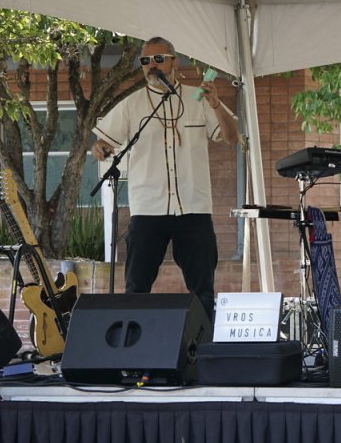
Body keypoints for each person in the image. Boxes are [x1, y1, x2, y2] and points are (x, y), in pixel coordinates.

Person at [91, 37, 238, 319]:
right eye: (145, 61)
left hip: (193, 207)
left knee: (203, 290)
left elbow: (231, 138)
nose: (151, 66)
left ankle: (202, 353)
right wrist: (100, 147)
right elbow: (103, 142)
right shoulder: (132, 104)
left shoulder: (199, 99)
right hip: (148, 208)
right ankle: (132, 355)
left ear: (174, 61)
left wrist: (217, 104)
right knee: (136, 288)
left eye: (158, 59)